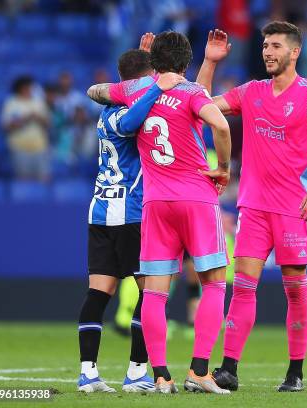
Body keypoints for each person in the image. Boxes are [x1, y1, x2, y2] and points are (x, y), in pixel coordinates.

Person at [196, 23, 307, 392]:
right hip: (254, 208)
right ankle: (228, 369)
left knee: (295, 290)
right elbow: (200, 107)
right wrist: (210, 63)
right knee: (243, 287)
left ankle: (295, 373)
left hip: (295, 208)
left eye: (276, 46)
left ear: (295, 53)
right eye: (264, 46)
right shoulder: (251, 92)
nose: (267, 52)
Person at [87, 30, 233, 394]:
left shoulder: (137, 91)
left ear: (154, 62)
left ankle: (161, 376)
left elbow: (95, 92)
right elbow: (218, 122)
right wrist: (224, 167)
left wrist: (147, 77)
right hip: (197, 197)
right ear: (185, 64)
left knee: (153, 294)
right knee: (214, 284)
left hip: (155, 204)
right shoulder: (191, 93)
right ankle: (199, 371)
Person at [78, 46, 184, 393]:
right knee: (148, 294)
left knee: (99, 294)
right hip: (132, 214)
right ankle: (137, 373)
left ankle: (88, 374)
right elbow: (130, 122)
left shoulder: (106, 108)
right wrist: (158, 85)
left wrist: (150, 62)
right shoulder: (122, 114)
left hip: (101, 212)